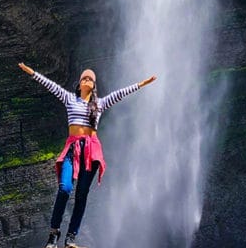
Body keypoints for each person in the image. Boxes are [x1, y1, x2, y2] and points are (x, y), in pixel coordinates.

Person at [18, 62, 156, 248]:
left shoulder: (100, 104)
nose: (87, 79)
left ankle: (71, 239)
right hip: (72, 149)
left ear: (94, 84)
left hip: (91, 152)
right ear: (79, 83)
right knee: (65, 188)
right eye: (84, 77)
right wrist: (31, 72)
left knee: (82, 195)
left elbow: (121, 93)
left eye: (91, 78)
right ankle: (54, 234)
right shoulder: (69, 99)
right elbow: (50, 84)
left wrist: (143, 83)